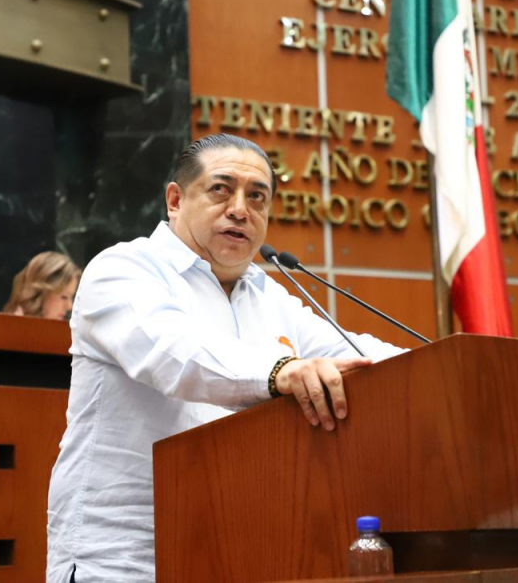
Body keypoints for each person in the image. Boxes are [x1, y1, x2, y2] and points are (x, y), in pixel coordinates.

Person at [46, 134, 404, 582]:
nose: (240, 209)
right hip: (123, 559)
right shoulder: (122, 270)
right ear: (175, 200)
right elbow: (175, 353)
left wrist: (449, 366)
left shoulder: (270, 298)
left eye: (257, 197)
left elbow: (357, 354)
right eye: (221, 189)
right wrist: (282, 371)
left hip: (236, 550)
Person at [4, 251, 81, 320]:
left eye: (71, 297)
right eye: (64, 297)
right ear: (40, 292)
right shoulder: (8, 329)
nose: (69, 307)